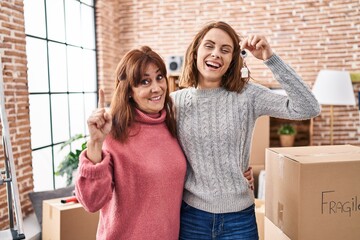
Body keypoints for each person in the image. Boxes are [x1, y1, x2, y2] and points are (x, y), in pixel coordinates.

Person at [170, 21, 321, 239]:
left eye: (225, 50)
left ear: (233, 59)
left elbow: (308, 107)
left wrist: (271, 59)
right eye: (209, 46)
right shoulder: (175, 103)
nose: (215, 54)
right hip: (192, 218)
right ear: (195, 52)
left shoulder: (248, 96)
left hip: (239, 219)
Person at [74, 46, 187, 239]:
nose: (156, 88)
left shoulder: (173, 126)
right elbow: (91, 202)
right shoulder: (113, 134)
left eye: (159, 78)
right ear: (128, 91)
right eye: (145, 81)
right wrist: (95, 143)